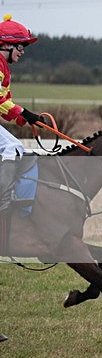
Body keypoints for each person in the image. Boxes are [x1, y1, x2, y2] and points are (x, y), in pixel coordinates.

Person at [0, 14, 44, 215]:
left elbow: (5, 104)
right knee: (13, 146)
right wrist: (25, 112)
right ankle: (3, 199)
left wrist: (25, 118)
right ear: (6, 45)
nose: (22, 52)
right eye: (20, 47)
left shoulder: (3, 67)